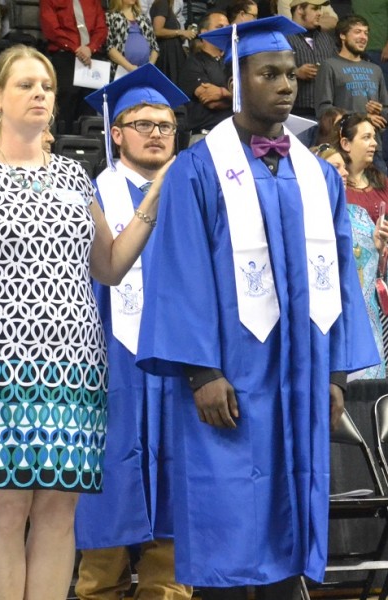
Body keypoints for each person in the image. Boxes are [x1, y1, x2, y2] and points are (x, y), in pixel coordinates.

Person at [136, 16, 378, 600]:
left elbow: (340, 276)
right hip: (231, 374)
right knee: (227, 510)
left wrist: (336, 373)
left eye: (290, 74)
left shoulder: (317, 175)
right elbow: (180, 269)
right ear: (237, 83)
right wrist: (201, 372)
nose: (285, 85)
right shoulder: (198, 169)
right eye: (269, 74)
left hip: (302, 372)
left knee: (293, 507)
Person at [0, 44, 167, 600]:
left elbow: (109, 267)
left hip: (76, 366)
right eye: (25, 84)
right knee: (7, 505)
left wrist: (154, 197)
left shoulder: (75, 177)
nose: (39, 93)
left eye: (47, 86)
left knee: (60, 509)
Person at [73, 63, 192, 600]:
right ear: (116, 133)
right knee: (107, 490)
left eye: (165, 125)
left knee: (178, 492)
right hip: (109, 367)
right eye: (143, 124)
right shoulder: (88, 195)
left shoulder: (196, 192)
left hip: (181, 365)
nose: (156, 134)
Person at [315, 141, 388, 378]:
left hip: (366, 321)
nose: (345, 172)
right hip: (328, 320)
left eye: (344, 166)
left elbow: (376, 275)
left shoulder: (359, 214)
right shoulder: (306, 218)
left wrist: (380, 248)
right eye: (335, 167)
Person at [314, 15, 388, 170]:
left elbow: (385, 111)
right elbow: (323, 110)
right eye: (357, 32)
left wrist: (380, 110)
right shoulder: (329, 66)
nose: (363, 37)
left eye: (366, 33)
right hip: (343, 148)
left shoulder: (375, 69)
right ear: (342, 35)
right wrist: (364, 116)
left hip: (374, 148)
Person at [40, 0, 107, 133]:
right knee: (67, 101)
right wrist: (76, 48)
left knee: (91, 103)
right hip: (66, 55)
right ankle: (64, 139)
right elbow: (52, 29)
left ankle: (89, 141)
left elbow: (101, 28)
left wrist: (90, 48)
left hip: (92, 56)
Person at [178, 10, 232, 146]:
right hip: (204, 138)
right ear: (204, 32)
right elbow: (211, 101)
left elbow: (250, 99)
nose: (226, 31)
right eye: (219, 27)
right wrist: (238, 99)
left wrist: (223, 93)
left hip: (233, 136)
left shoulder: (233, 63)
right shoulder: (193, 63)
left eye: (228, 27)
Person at [287, 0, 337, 126]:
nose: (320, 13)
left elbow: (338, 68)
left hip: (326, 114)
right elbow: (270, 70)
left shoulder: (326, 39)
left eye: (320, 9)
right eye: (314, 8)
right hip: (295, 113)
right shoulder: (282, 37)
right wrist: (296, 72)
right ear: (300, 9)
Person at [339, 112, 388, 221]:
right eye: (366, 137)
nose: (374, 143)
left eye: (374, 137)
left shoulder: (382, 181)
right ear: (345, 144)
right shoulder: (336, 184)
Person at [105, 0, 159, 78]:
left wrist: (150, 66)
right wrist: (129, 67)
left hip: (145, 73)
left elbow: (155, 47)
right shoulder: (110, 17)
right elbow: (109, 47)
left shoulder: (143, 18)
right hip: (120, 72)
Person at [150, 0, 195, 84]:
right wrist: (180, 32)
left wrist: (184, 34)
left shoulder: (169, 6)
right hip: (167, 55)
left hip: (174, 53)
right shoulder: (162, 3)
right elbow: (157, 31)